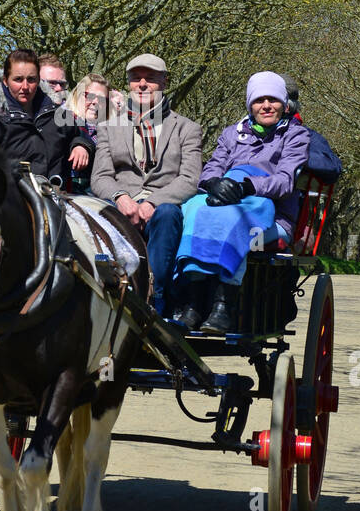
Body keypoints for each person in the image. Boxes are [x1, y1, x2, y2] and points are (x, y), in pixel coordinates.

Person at [174, 72, 310, 332]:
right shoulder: (231, 134)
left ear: (284, 104)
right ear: (250, 105)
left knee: (236, 219)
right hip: (224, 201)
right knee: (191, 210)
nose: (267, 106)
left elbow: (285, 181)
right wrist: (215, 184)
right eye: (260, 100)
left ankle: (223, 305)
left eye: (273, 100)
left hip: (271, 214)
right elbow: (212, 169)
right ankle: (192, 303)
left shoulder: (296, 135)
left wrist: (247, 186)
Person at [90, 53, 202, 317]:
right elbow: (101, 177)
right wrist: (121, 198)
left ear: (163, 82)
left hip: (163, 208)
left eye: (150, 79)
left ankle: (157, 295)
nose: (142, 84)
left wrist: (153, 201)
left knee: (167, 214)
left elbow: (189, 179)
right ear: (128, 83)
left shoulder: (186, 128)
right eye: (136, 78)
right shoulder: (109, 126)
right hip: (119, 204)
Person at [0, 48, 93, 181]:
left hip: (56, 195)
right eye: (18, 79)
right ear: (5, 80)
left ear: (39, 80)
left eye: (31, 79)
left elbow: (81, 136)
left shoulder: (59, 113)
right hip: (7, 197)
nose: (25, 86)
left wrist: (81, 146)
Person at [66, 73, 111, 192]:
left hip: (97, 193)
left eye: (101, 99)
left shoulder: (108, 131)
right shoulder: (63, 122)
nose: (96, 102)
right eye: (89, 96)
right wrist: (80, 144)